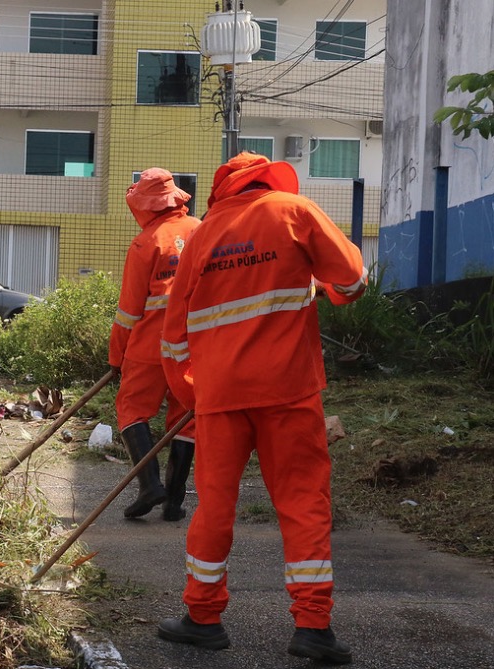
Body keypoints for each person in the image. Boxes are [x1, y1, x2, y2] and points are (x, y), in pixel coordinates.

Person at [157, 152, 367, 664]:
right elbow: (354, 280)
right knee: (303, 504)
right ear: (271, 180)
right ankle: (313, 627)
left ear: (224, 190)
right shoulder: (295, 211)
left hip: (220, 396)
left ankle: (203, 618)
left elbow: (173, 340)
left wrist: (195, 395)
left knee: (213, 506)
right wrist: (325, 288)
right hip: (289, 392)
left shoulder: (202, 236)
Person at [108, 168, 201, 520]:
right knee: (185, 419)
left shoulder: (145, 244)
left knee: (132, 409)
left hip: (149, 346)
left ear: (144, 206)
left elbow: (128, 313)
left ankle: (149, 486)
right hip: (192, 347)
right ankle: (174, 501)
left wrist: (116, 357)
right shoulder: (201, 231)